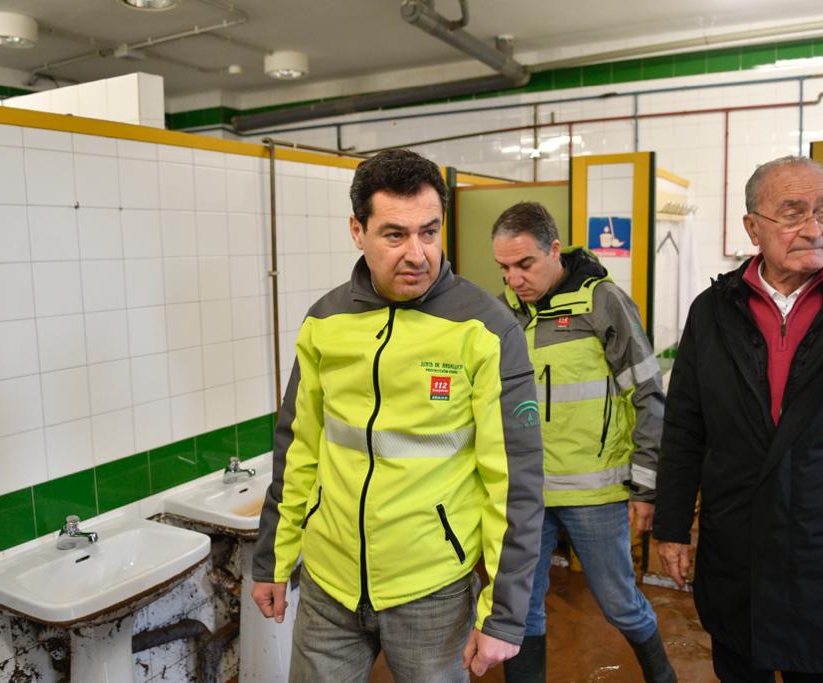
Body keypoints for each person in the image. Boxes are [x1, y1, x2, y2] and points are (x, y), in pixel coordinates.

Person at [251, 149, 544, 682]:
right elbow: (297, 447)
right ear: (357, 231)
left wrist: (504, 614)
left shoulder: (486, 329)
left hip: (432, 591)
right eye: (394, 235)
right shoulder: (325, 321)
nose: (417, 253)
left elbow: (516, 482)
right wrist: (273, 557)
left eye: (429, 232)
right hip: (328, 585)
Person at [654, 155, 823, 681]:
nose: (813, 228)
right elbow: (685, 429)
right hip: (738, 557)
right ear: (752, 227)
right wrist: (671, 527)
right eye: (792, 213)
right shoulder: (712, 312)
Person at [491, 202, 677, 683]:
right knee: (521, 608)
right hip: (527, 494)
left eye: (525, 264)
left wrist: (645, 486)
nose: (514, 280)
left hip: (593, 494)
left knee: (620, 604)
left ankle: (663, 677)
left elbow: (649, 395)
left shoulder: (603, 302)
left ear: (555, 249)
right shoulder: (503, 314)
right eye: (504, 268)